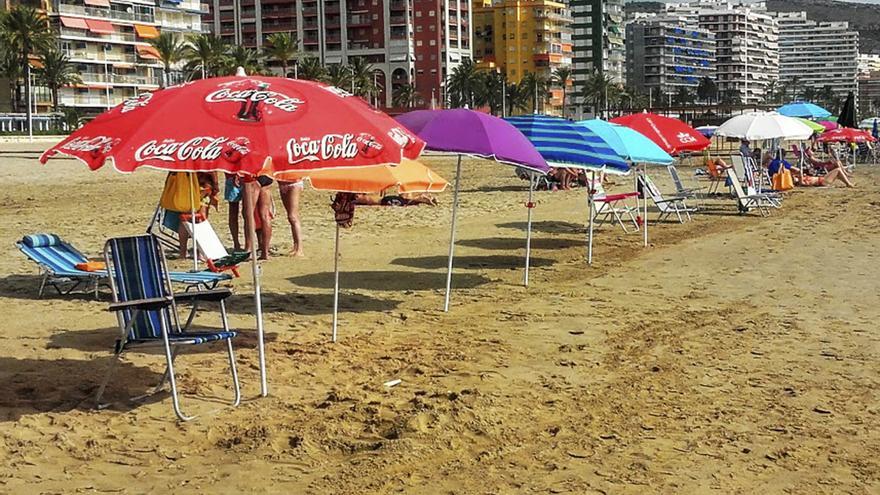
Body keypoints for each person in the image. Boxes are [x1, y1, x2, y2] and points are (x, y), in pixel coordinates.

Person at [178, 172, 218, 259]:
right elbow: (210, 168)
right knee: (200, 218)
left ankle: (183, 253)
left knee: (185, 217)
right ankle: (199, 253)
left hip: (185, 181)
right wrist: (215, 184)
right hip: (202, 183)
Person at [243, 175, 274, 260]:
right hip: (267, 173)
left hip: (253, 175)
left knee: (249, 213)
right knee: (265, 214)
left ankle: (249, 249)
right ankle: (265, 252)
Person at [278, 179, 304, 257]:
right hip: (282, 181)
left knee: (293, 216)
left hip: (294, 181)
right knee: (290, 217)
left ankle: (300, 248)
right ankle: (296, 246)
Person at [224, 173, 244, 251]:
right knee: (233, 213)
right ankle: (236, 244)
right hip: (232, 177)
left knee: (248, 212)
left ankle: (247, 244)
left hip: (247, 176)